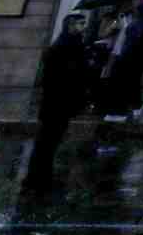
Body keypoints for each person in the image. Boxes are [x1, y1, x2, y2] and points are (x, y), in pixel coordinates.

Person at [26, 13, 93, 189]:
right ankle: (37, 178)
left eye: (83, 23)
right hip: (57, 101)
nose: (83, 26)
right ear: (70, 25)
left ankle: (41, 176)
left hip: (64, 101)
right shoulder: (62, 46)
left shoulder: (76, 44)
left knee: (51, 140)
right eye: (80, 23)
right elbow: (55, 76)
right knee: (47, 140)